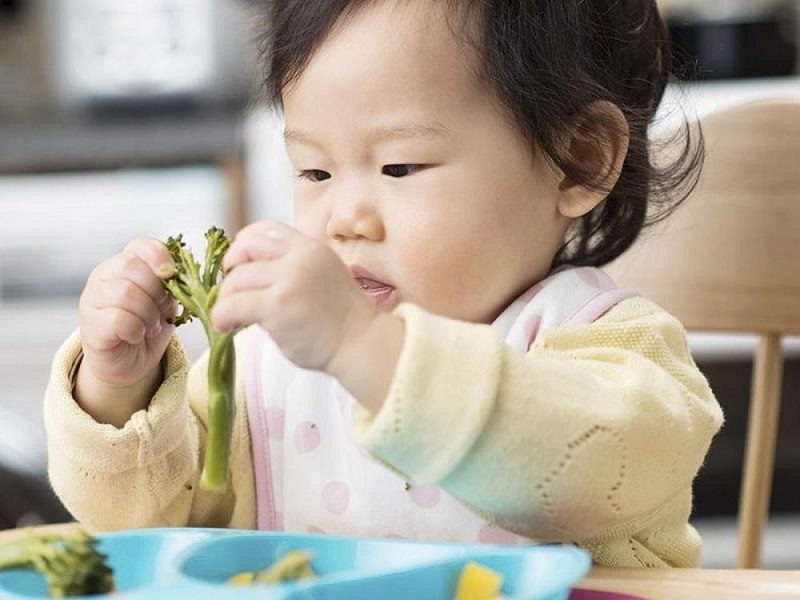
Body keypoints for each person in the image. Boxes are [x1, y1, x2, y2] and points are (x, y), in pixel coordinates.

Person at [45, 0, 723, 567]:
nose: (344, 219)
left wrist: (363, 347)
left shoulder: (619, 352)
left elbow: (571, 470)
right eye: (314, 173)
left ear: (579, 160)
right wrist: (115, 389)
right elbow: (152, 524)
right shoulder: (269, 373)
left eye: (400, 167)